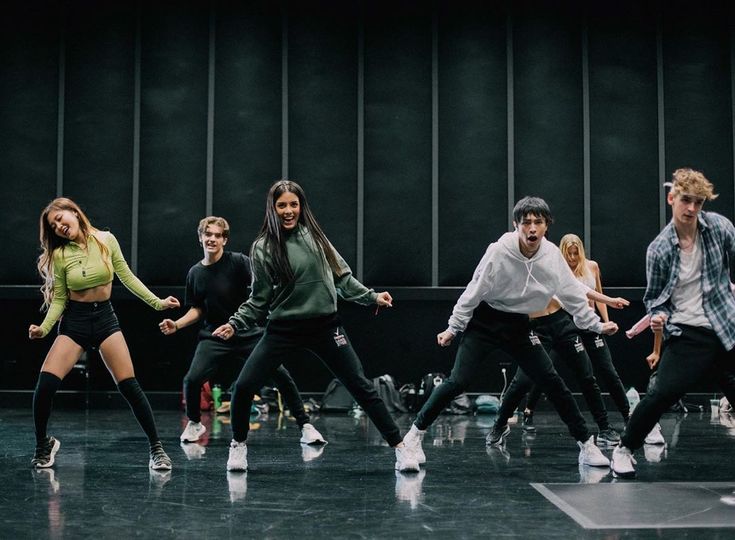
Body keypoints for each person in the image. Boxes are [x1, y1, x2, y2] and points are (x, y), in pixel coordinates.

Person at [211, 180, 418, 473]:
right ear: (272, 208)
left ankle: (400, 448)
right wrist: (235, 324)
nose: (288, 210)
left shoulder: (316, 238)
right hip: (283, 328)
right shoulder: (263, 248)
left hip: (325, 326)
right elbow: (258, 300)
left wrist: (372, 296)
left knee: (360, 385)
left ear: (301, 206)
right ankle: (238, 446)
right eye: (281, 205)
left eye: (293, 204)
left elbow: (343, 279)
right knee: (244, 386)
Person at [401, 196, 618, 468]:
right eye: (526, 222)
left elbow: (572, 294)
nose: (532, 228)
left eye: (538, 222)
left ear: (546, 226)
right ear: (516, 225)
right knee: (458, 380)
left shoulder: (552, 256)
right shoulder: (499, 251)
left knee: (551, 379)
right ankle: (413, 437)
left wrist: (596, 325)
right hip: (486, 322)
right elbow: (474, 290)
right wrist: (453, 328)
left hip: (519, 324)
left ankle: (586, 444)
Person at [28, 197, 179, 470]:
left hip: (105, 320)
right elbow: (60, 299)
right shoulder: (61, 255)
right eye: (53, 226)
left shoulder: (106, 240)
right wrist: (44, 328)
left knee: (129, 386)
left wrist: (158, 303)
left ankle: (157, 448)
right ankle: (43, 444)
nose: (59, 226)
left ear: (75, 213)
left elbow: (127, 276)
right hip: (75, 322)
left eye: (61, 219)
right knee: (45, 385)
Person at [158, 216, 325, 447]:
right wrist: (176, 325)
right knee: (192, 379)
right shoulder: (195, 273)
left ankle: (306, 426)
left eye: (218, 235)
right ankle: (195, 423)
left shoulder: (238, 262)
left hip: (247, 332)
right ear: (201, 238)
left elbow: (263, 287)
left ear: (224, 240)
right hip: (214, 335)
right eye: (208, 235)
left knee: (281, 374)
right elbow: (197, 309)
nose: (212, 239)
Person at [612, 168, 735, 478]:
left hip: (726, 326)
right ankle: (624, 448)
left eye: (698, 202)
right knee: (661, 394)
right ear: (672, 199)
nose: (691, 208)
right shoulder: (660, 249)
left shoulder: (721, 229)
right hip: (688, 333)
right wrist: (659, 314)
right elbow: (654, 297)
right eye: (685, 200)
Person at [519, 234, 631, 432]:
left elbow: (598, 295)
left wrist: (605, 321)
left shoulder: (591, 267)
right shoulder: (558, 269)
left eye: (575, 253)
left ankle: (626, 414)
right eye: (568, 253)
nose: (572, 258)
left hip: (591, 324)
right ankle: (528, 410)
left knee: (607, 372)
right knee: (546, 369)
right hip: (567, 326)